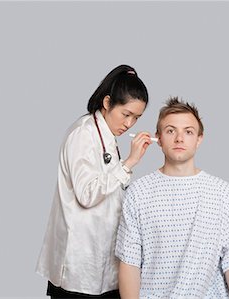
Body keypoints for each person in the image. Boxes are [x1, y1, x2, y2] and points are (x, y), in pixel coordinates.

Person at [115, 97, 229, 299]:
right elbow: (129, 262)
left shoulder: (222, 192)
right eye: (170, 131)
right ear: (158, 138)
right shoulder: (138, 192)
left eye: (188, 132)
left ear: (199, 139)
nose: (179, 139)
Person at [36, 64, 154, 299]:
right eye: (126, 114)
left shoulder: (107, 136)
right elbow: (87, 194)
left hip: (103, 265)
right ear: (108, 102)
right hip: (79, 269)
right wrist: (129, 163)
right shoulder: (83, 133)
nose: (130, 124)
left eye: (137, 117)